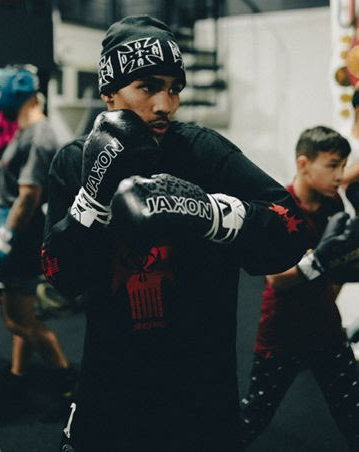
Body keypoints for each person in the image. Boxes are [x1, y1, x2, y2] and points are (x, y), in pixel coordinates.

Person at [41, 15, 323, 451]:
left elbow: (292, 227)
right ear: (109, 92)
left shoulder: (203, 152)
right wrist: (93, 200)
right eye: (147, 87)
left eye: (174, 88)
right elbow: (60, 275)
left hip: (200, 387)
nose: (165, 105)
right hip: (111, 384)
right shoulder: (75, 162)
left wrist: (212, 214)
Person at [240, 126, 359, 450]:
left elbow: (334, 273)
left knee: (353, 415)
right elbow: (276, 279)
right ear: (303, 164)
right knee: (253, 418)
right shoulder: (279, 207)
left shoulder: (334, 205)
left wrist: (333, 283)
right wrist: (319, 261)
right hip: (283, 332)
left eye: (343, 165)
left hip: (326, 330)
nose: (340, 175)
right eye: (332, 165)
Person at [0, 64, 77, 420]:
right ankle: (17, 375)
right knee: (22, 312)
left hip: (21, 236)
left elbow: (28, 196)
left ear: (19, 90)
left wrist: (4, 236)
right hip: (17, 231)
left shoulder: (39, 134)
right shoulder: (27, 129)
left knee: (17, 320)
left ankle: (68, 379)